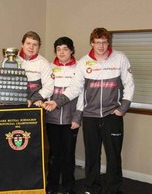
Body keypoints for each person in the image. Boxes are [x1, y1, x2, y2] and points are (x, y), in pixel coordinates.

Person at [44, 28, 135, 194]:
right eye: (97, 42)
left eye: (104, 42)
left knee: (113, 156)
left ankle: (113, 189)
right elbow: (75, 89)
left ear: (108, 43)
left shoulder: (120, 58)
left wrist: (123, 108)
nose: (101, 46)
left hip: (112, 115)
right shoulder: (84, 62)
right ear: (92, 43)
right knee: (92, 155)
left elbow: (129, 84)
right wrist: (57, 103)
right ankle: (91, 187)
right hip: (90, 116)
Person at [45, 37, 82, 194]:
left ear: (72, 50)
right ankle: (52, 186)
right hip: (51, 118)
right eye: (58, 49)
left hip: (70, 120)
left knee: (68, 154)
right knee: (54, 154)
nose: (62, 52)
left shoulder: (79, 68)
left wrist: (77, 116)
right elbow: (46, 90)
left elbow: (82, 94)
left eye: (65, 49)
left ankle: (68, 186)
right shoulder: (49, 68)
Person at [17, 31, 54, 106]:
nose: (31, 47)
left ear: (38, 47)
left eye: (35, 44)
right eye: (28, 43)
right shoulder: (12, 60)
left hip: (35, 105)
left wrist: (32, 100)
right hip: (14, 104)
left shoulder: (44, 63)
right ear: (22, 44)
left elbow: (49, 88)